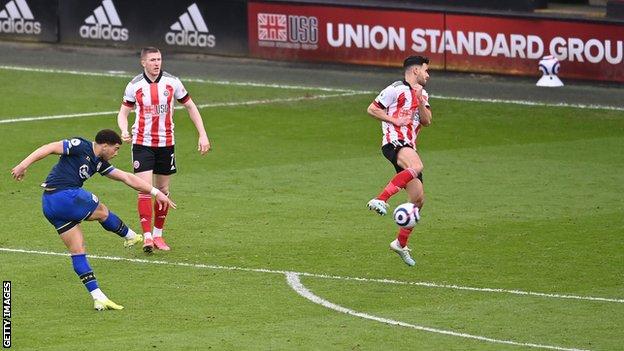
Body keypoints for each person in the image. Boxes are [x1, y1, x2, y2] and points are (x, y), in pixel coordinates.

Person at [11, 129, 176, 310]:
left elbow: (127, 178)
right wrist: (23, 164)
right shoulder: (80, 145)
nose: (116, 153)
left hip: (50, 205)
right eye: (116, 148)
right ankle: (130, 236)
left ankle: (98, 297)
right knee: (102, 212)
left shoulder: (99, 163)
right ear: (105, 145)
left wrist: (155, 192)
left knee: (78, 249)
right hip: (65, 195)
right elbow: (50, 147)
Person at [117, 47, 210, 253]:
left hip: (166, 143)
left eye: (159, 59)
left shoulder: (172, 82)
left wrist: (202, 134)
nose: (157, 63)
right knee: (144, 188)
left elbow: (191, 107)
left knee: (163, 190)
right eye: (152, 60)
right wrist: (124, 130)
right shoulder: (134, 86)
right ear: (143, 63)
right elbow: (123, 113)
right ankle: (147, 237)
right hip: (142, 143)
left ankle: (158, 235)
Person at [366, 55, 432, 267]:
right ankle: (381, 199)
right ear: (415, 71)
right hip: (395, 141)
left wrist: (421, 101)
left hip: (409, 145)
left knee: (418, 199)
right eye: (425, 70)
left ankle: (400, 243)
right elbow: (372, 108)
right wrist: (394, 120)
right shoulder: (395, 89)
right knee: (417, 166)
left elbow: (427, 121)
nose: (428, 75)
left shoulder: (423, 94)